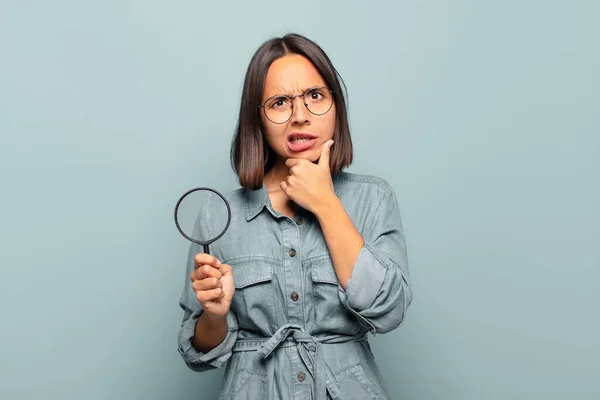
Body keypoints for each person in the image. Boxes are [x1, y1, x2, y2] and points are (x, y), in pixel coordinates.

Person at [177, 33, 412, 400]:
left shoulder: (373, 198)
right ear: (257, 117)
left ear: (336, 104)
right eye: (280, 102)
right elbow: (199, 354)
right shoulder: (217, 214)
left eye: (315, 96)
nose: (300, 116)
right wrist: (215, 315)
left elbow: (390, 309)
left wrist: (326, 204)